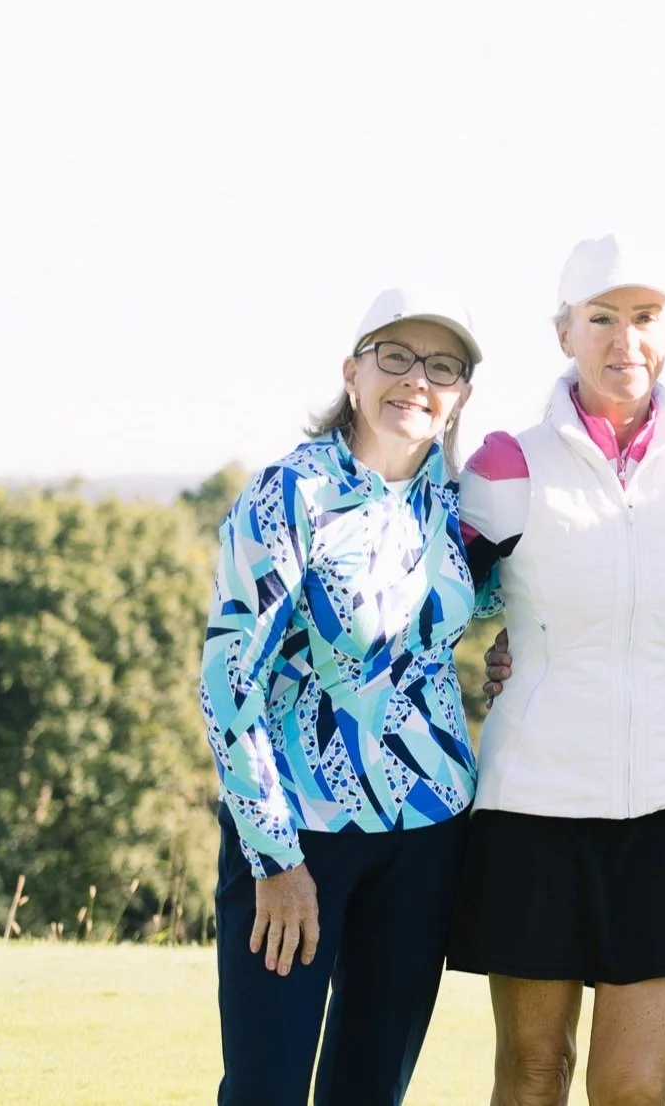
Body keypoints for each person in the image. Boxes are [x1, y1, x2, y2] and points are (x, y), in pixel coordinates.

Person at [449, 236, 665, 1106]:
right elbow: (435, 614)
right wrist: (502, 658)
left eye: (645, 317)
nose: (625, 341)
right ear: (563, 330)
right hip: (534, 805)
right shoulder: (507, 464)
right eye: (602, 318)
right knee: (534, 1072)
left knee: (634, 1088)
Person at [200, 287, 485, 1106]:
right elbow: (229, 679)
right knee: (267, 1090)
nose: (416, 380)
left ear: (461, 391)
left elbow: (495, 606)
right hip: (298, 837)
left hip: (428, 833)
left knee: (370, 1091)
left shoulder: (457, 506)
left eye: (442, 365)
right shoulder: (290, 493)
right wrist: (276, 858)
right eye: (395, 356)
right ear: (352, 371)